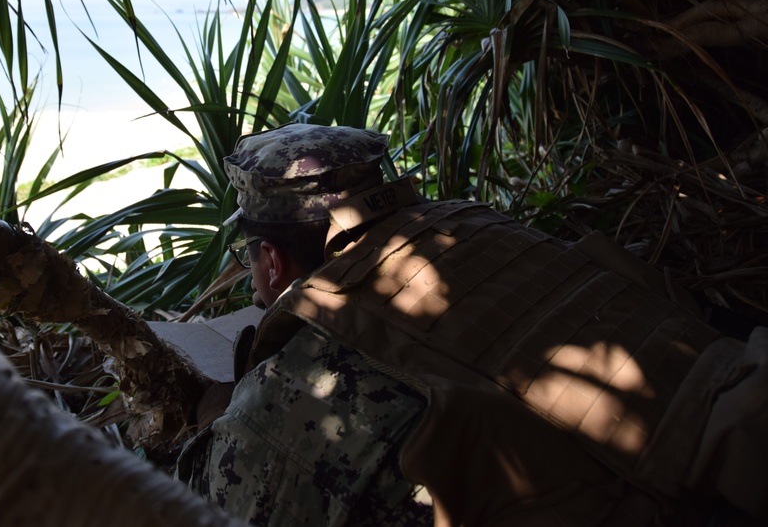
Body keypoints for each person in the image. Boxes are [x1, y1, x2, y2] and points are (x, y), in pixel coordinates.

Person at [175, 123, 768, 526]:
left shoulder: (307, 377)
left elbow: (221, 501)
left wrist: (212, 412)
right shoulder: (475, 226)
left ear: (272, 259)